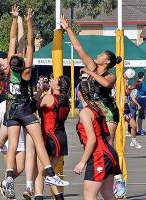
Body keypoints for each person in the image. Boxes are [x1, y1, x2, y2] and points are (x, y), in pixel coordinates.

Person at [0, 5, 69, 199]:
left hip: (15, 112)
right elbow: (25, 45)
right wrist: (27, 23)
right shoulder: (21, 73)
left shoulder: (8, 75)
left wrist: (18, 21)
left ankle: (14, 180)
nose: (11, 57)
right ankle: (40, 179)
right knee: (30, 145)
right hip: (22, 111)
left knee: (18, 153)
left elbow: (15, 42)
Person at [60, 15, 126, 198]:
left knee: (107, 143)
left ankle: (118, 177)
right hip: (93, 109)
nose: (97, 56)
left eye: (102, 55)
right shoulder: (91, 65)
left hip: (107, 110)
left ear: (107, 61)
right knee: (94, 141)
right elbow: (79, 48)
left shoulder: (110, 74)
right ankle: (95, 167)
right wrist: (68, 29)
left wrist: (90, 72)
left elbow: (105, 84)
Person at [75, 80, 119, 200]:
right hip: (108, 153)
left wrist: (82, 162)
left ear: (79, 93)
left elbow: (92, 139)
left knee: (89, 195)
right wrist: (113, 157)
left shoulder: (85, 112)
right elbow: (107, 136)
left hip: (99, 156)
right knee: (107, 192)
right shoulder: (99, 108)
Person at [33, 75, 71, 200]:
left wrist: (40, 91)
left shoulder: (48, 98)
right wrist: (49, 90)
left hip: (48, 138)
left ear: (58, 86)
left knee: (40, 172)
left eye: (55, 79)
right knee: (50, 173)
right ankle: (59, 197)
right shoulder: (65, 100)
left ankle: (38, 196)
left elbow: (32, 106)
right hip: (61, 139)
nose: (52, 80)